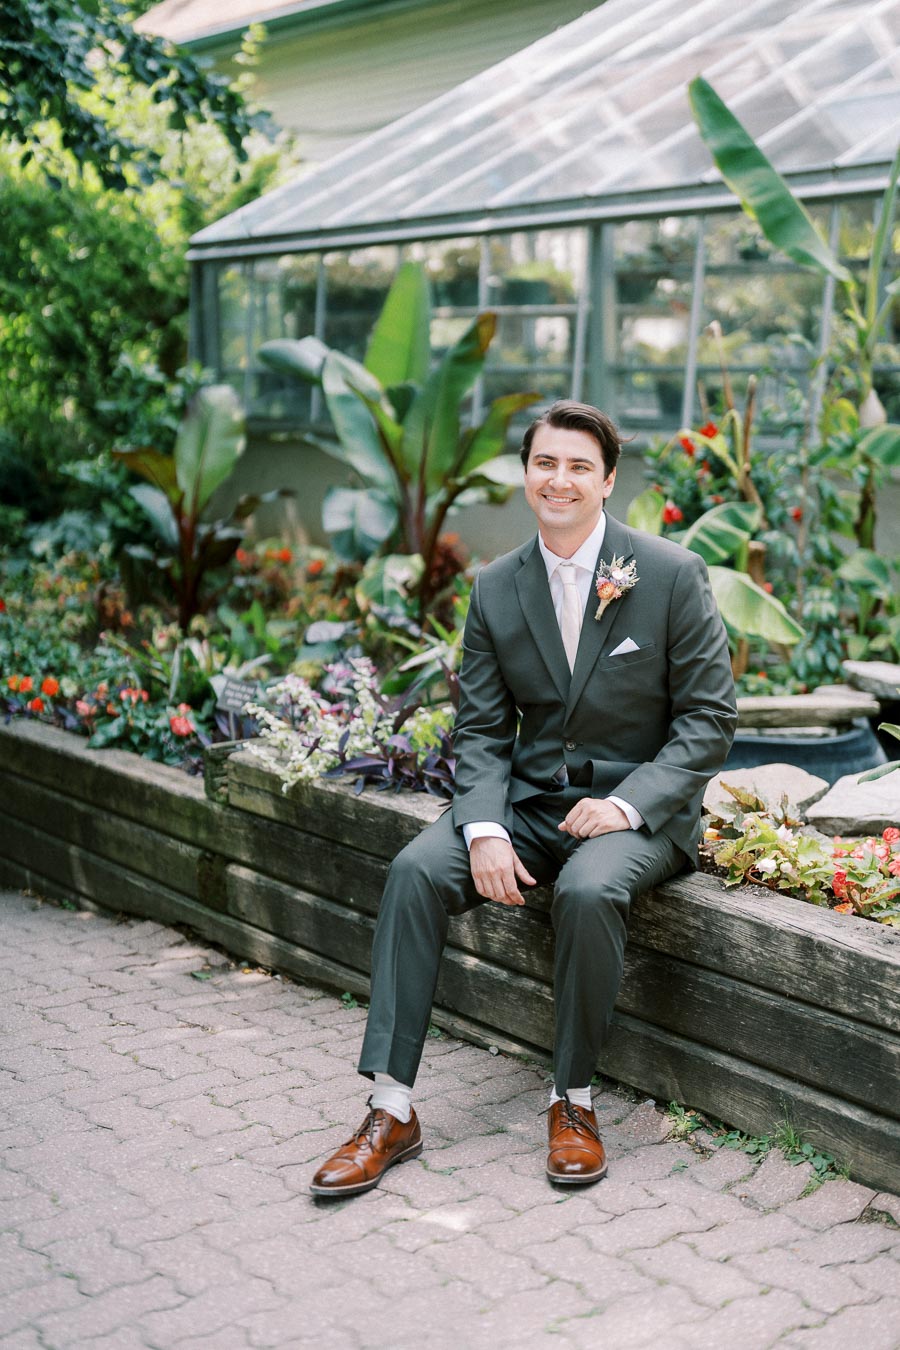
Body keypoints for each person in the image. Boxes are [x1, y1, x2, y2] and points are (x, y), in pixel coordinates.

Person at [310, 399, 737, 1197]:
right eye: (547, 463)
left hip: (638, 814)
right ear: (527, 474)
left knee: (586, 888)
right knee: (413, 870)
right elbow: (479, 731)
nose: (561, 479)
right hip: (529, 808)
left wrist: (628, 804)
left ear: (608, 480)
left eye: (580, 465)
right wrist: (480, 829)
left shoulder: (672, 575)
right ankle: (390, 1108)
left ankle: (571, 1101)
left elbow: (710, 721)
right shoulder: (496, 587)